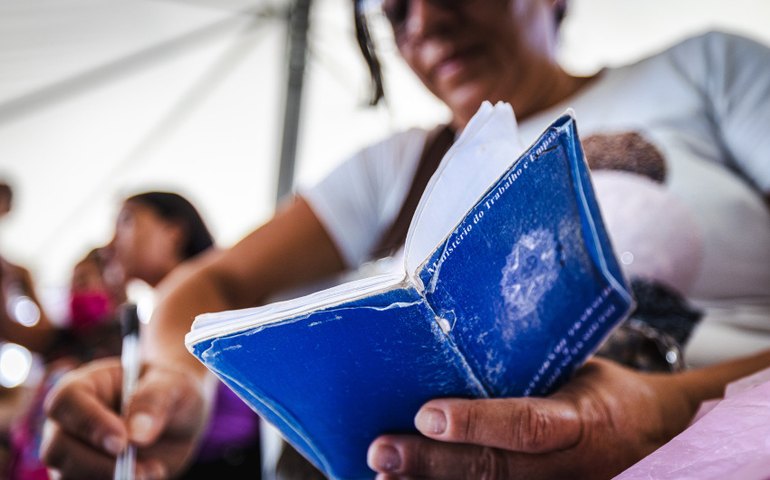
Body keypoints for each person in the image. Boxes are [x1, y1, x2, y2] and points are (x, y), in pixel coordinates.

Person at [41, 0, 770, 478]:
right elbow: (206, 288)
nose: (424, 22)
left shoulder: (702, 73)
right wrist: (174, 377)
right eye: (392, 11)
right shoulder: (395, 167)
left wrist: (665, 410)